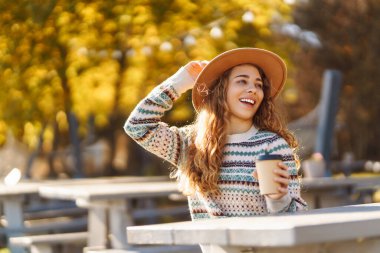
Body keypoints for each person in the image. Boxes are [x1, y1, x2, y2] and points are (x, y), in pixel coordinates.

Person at [124, 48, 307, 222]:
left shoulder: (273, 146)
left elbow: (297, 217)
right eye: (242, 81)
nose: (253, 89)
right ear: (220, 90)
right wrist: (179, 82)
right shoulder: (192, 144)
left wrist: (278, 199)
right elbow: (137, 126)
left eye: (258, 85)